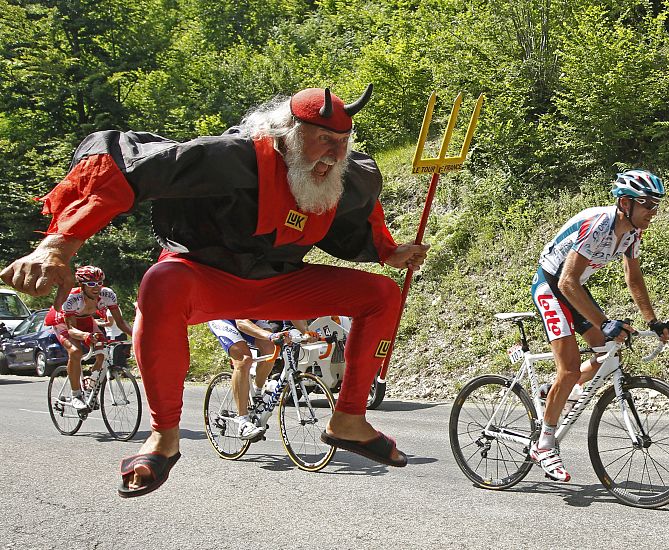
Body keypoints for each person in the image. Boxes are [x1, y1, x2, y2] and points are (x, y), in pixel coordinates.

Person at [1, 85, 428, 498]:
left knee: (381, 295)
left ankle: (349, 418)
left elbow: (364, 215)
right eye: (322, 140)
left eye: (341, 142)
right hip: (204, 278)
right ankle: (163, 439)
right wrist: (59, 244)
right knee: (160, 281)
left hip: (279, 283)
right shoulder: (233, 158)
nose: (334, 154)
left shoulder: (348, 175)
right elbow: (124, 163)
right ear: (289, 136)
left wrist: (389, 252)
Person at [529, 169, 669, 482]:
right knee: (568, 368)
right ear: (625, 202)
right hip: (551, 285)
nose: (653, 212)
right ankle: (544, 444)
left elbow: (633, 277)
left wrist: (652, 320)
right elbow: (566, 281)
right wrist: (605, 321)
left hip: (574, 288)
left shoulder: (633, 232)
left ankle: (560, 392)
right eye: (648, 204)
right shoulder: (600, 225)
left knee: (610, 350)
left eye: (656, 206)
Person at [207, 319, 315, 440]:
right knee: (244, 360)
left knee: (271, 348)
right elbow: (241, 323)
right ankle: (243, 422)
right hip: (225, 318)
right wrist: (271, 335)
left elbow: (291, 311)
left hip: (251, 318)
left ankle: (257, 395)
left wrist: (307, 332)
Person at [49, 265, 133, 411]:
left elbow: (120, 322)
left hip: (86, 320)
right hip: (63, 323)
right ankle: (76, 395)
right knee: (75, 352)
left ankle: (90, 388)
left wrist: (138, 337)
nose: (96, 288)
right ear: (82, 285)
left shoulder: (108, 295)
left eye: (99, 283)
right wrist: (86, 336)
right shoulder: (72, 299)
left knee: (103, 350)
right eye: (91, 284)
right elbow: (71, 330)